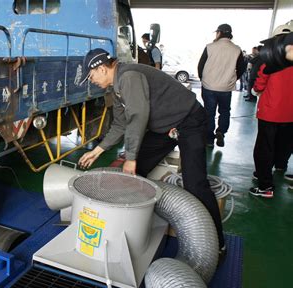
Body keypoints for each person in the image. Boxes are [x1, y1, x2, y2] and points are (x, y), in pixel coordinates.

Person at [77, 48, 226, 257]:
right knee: (136, 170)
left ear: (101, 68)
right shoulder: (115, 88)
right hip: (164, 127)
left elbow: (138, 117)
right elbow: (121, 124)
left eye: (91, 76)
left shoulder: (128, 77)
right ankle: (131, 226)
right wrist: (99, 150)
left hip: (189, 120)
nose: (91, 81)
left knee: (195, 184)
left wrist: (130, 158)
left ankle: (217, 245)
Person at [249, 24, 293, 198]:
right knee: (284, 144)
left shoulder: (270, 61)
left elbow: (259, 85)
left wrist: (256, 90)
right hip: (290, 114)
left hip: (270, 113)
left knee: (264, 148)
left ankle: (265, 185)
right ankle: (279, 166)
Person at [198, 24, 246, 147]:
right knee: (224, 111)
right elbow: (241, 67)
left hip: (209, 86)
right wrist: (232, 80)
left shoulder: (210, 47)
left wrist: (203, 79)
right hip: (225, 88)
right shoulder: (237, 49)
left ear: (219, 33)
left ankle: (209, 140)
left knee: (209, 112)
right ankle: (221, 132)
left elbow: (201, 65)